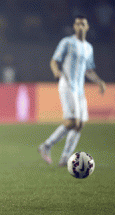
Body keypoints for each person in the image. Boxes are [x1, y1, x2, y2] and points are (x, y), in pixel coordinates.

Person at [38, 15, 106, 167]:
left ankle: (65, 159)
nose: (80, 26)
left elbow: (88, 70)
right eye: (77, 24)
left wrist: (99, 81)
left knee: (80, 124)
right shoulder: (67, 42)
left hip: (79, 89)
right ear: (74, 27)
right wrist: (56, 72)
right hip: (67, 84)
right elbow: (54, 60)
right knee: (72, 121)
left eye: (83, 24)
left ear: (87, 27)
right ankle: (46, 146)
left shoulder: (88, 47)